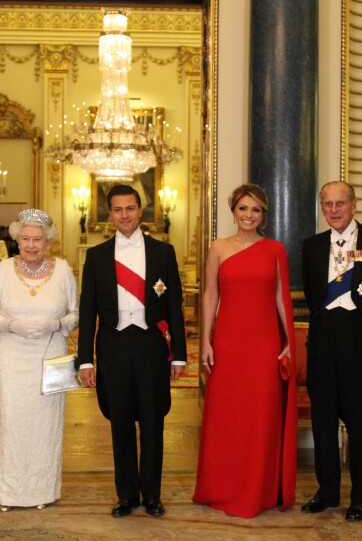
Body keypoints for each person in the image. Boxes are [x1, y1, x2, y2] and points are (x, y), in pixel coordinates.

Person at [77, 184, 187, 518]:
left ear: (141, 211)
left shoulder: (162, 253)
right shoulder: (96, 256)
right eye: (117, 210)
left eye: (130, 208)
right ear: (110, 214)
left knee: (153, 423)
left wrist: (179, 354)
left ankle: (152, 495)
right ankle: (127, 495)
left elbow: (174, 306)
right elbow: (87, 311)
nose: (124, 215)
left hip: (151, 345)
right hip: (112, 346)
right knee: (120, 422)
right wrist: (84, 360)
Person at [193, 183, 296, 518]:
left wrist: (288, 344)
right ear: (233, 211)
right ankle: (222, 486)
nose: (249, 215)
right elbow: (210, 294)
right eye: (243, 208)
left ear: (263, 214)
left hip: (264, 344)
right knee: (228, 418)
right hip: (228, 343)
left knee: (260, 417)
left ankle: (259, 490)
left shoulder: (276, 250)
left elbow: (281, 298)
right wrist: (206, 340)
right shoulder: (218, 248)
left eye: (256, 210)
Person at [301, 181, 362, 522]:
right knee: (324, 421)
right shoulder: (312, 246)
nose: (334, 210)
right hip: (325, 339)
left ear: (354, 204)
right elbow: (314, 297)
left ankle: (360, 498)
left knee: (360, 424)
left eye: (340, 203)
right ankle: (327, 491)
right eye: (327, 203)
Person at [0, 209, 78, 511]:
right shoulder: (3, 270)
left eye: (38, 239)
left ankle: (42, 491)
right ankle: (7, 492)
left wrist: (57, 325)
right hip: (10, 358)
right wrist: (10, 325)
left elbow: (75, 313)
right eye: (25, 239)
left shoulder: (63, 270)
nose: (31, 245)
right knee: (10, 425)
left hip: (51, 358)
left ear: (49, 241)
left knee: (45, 426)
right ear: (17, 239)